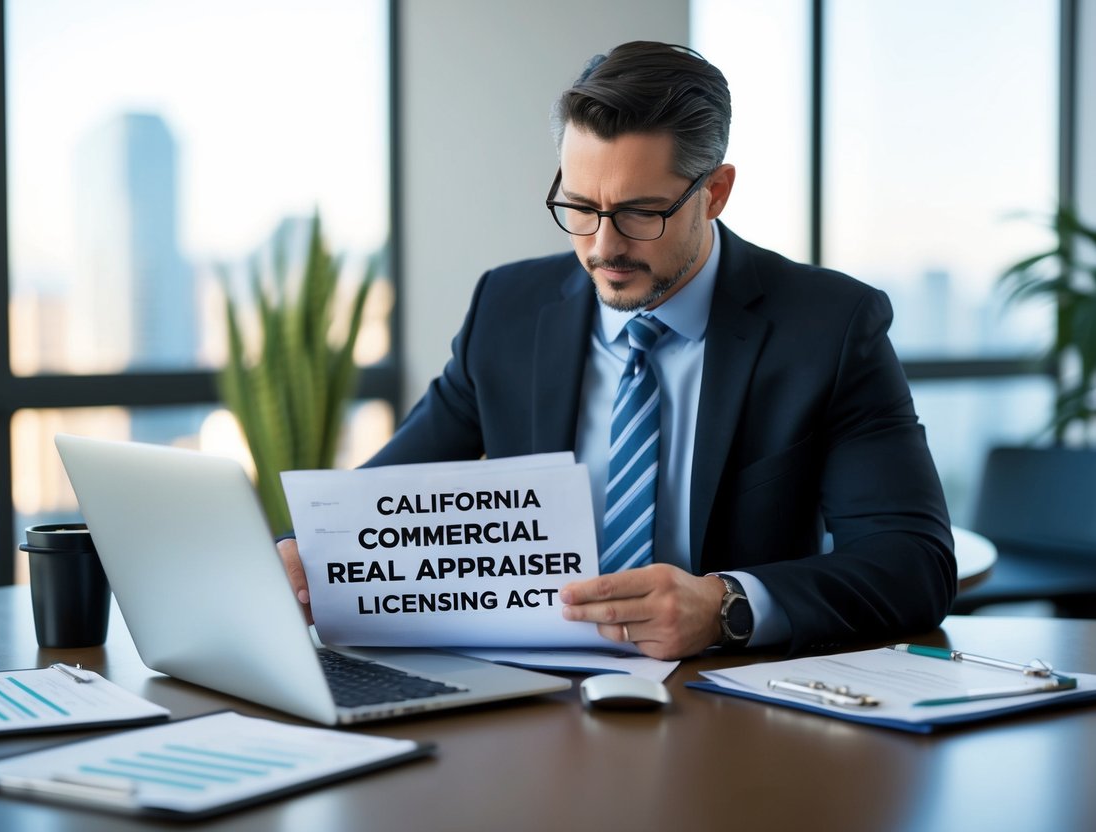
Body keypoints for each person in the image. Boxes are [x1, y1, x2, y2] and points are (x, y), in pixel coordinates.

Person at [278, 40, 956, 660]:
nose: (602, 247)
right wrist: (309, 551)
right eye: (579, 207)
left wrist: (725, 605)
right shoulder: (507, 310)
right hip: (530, 691)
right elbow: (378, 500)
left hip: (729, 705)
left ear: (713, 193)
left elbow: (911, 563)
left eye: (639, 212)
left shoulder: (827, 325)